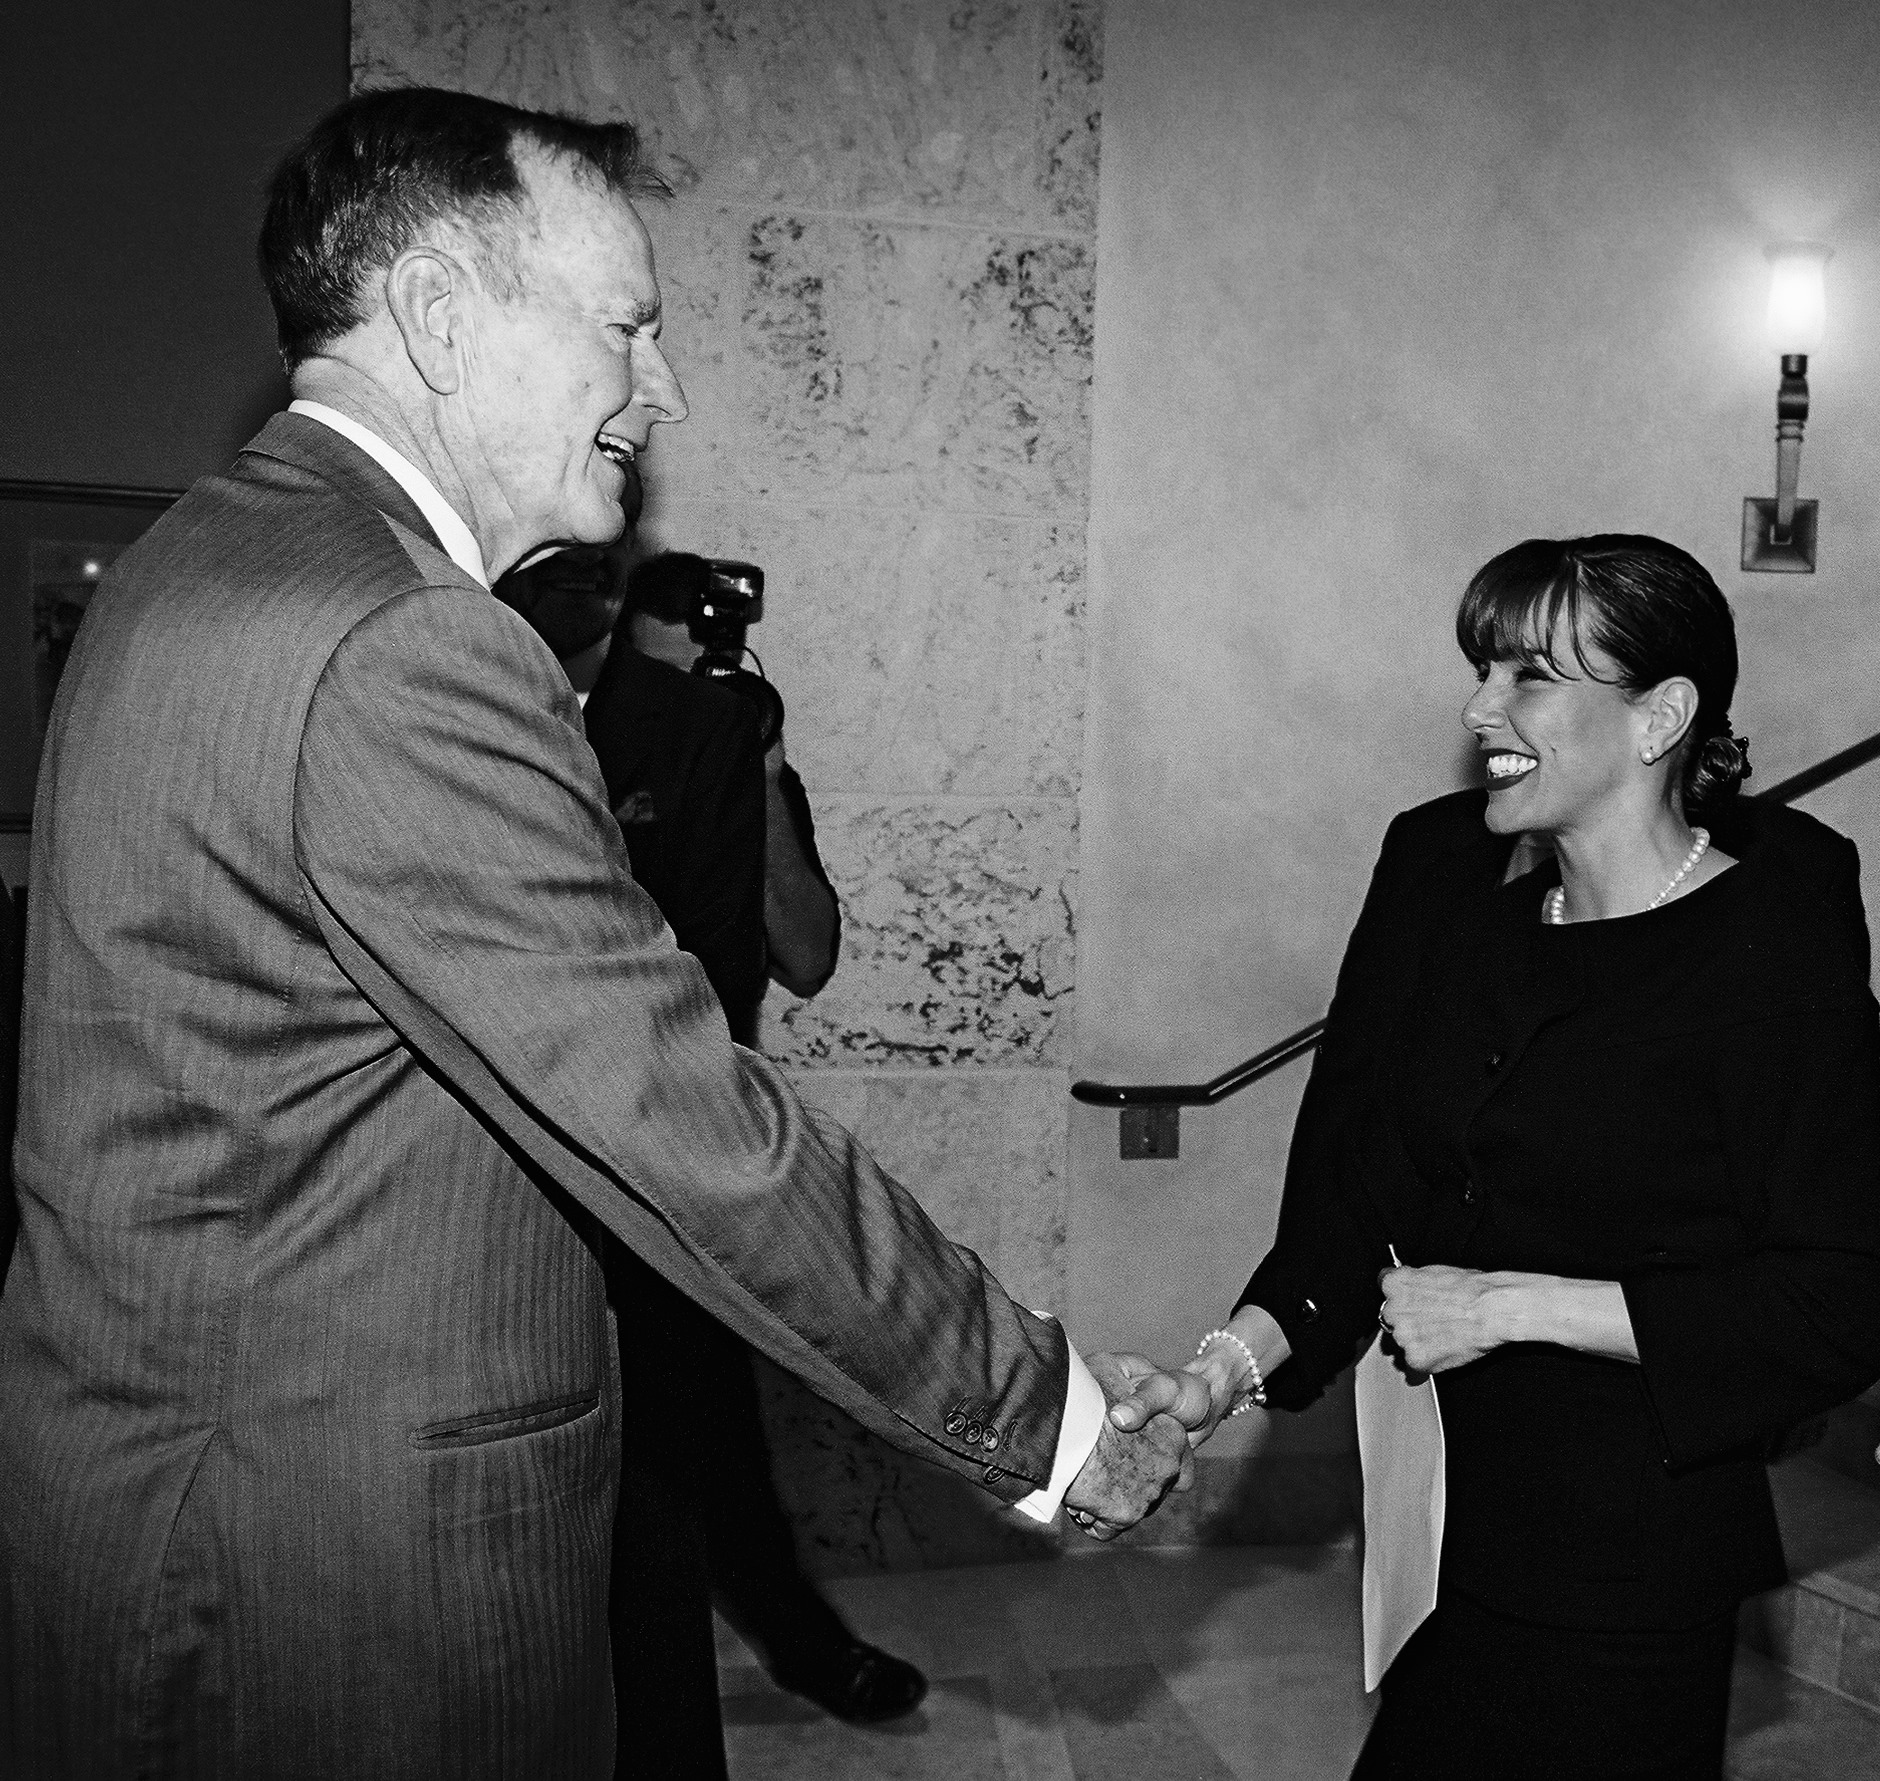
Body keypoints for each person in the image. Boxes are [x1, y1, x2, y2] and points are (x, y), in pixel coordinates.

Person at [0, 87, 1207, 1779]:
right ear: (436, 313)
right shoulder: (408, 640)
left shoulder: (199, 563)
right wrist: (1044, 1413)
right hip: (332, 1595)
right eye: (626, 327)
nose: (667, 387)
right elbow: (686, 1120)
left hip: (182, 1518)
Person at [1176, 535, 1880, 1778]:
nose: (1477, 707)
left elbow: (1836, 1295)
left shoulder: (1771, 941)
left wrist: (1510, 1306)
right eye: (1481, 668)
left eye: (1527, 676)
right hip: (1439, 1529)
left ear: (1659, 714)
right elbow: (1355, 1182)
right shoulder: (1440, 876)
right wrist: (1224, 1367)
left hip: (1628, 1558)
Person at [499, 539, 928, 1773]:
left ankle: (782, 1636)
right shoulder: (526, 724)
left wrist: (765, 773)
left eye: (714, 618)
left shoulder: (716, 735)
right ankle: (766, 1643)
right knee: (653, 1467)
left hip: (693, 1143)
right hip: (556, 1146)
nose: (703, 638)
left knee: (695, 1433)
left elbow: (807, 953)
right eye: (680, 614)